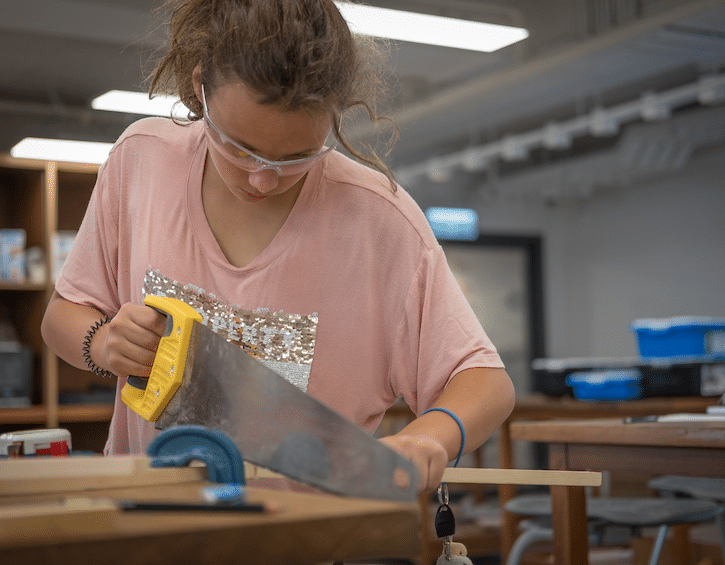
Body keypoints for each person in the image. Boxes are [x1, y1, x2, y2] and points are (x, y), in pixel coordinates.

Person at [41, 0, 515, 492]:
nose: (263, 180)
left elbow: (486, 383)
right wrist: (102, 343)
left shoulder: (382, 223)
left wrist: (428, 439)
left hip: (298, 537)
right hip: (146, 525)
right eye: (239, 147)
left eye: (297, 157)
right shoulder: (141, 162)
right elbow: (61, 318)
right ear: (198, 87)